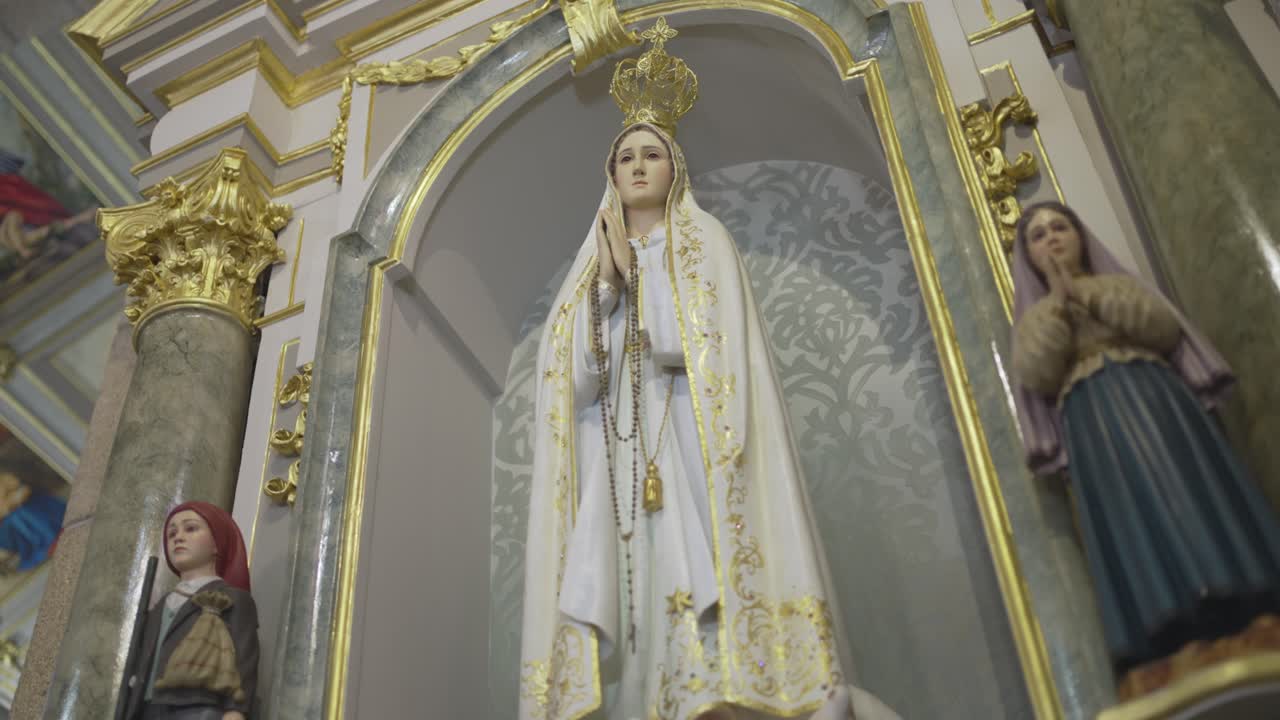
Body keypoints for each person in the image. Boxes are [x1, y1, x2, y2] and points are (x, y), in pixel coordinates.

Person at [519, 19, 897, 720]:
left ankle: (721, 684)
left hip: (696, 441)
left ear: (675, 170)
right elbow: (567, 382)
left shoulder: (706, 243)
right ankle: (645, 694)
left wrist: (640, 284)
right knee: (634, 577)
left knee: (705, 561)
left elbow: (704, 347)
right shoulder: (588, 274)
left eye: (651, 155)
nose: (636, 166)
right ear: (610, 174)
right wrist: (606, 287)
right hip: (623, 454)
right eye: (625, 156)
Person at [1010, 201, 1280, 678]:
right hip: (1093, 418)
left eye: (1059, 227)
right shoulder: (1034, 318)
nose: (1051, 239)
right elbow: (1037, 370)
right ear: (1028, 255)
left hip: (1156, 399)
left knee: (1191, 491)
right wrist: (1057, 307)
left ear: (1079, 235)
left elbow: (1159, 326)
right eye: (1038, 235)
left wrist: (1085, 296)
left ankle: (1245, 594)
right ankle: (1167, 627)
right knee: (1130, 512)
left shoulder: (1116, 284)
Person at [126, 501, 259, 720]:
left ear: (217, 542)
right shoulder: (161, 605)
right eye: (172, 533)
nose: (178, 537)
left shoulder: (232, 598)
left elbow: (243, 661)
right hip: (147, 709)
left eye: (191, 528)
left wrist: (236, 711)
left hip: (198, 708)